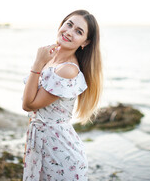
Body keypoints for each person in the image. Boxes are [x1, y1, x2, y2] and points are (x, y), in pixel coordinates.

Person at [22, 10, 102, 180]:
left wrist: (37, 63)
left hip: (61, 154)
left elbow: (28, 104)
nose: (69, 32)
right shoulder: (51, 60)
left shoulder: (68, 70)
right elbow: (35, 114)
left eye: (78, 32)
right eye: (69, 24)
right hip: (41, 144)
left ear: (85, 42)